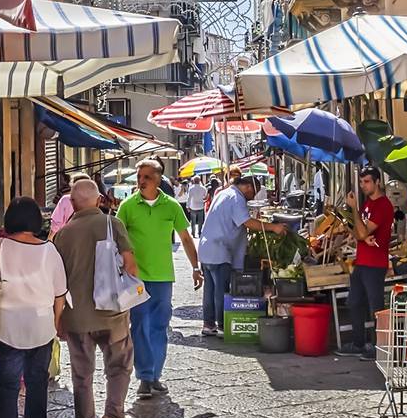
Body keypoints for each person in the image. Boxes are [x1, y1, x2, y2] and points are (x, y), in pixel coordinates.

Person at [51, 178, 137, 418]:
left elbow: (57, 283)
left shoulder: (63, 235)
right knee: (120, 367)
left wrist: (58, 319)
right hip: (112, 313)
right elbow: (130, 263)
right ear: (100, 200)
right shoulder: (113, 224)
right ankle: (112, 417)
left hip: (78, 317)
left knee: (82, 376)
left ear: (73, 204)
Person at [0, 197, 66, 418]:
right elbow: (59, 295)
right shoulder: (49, 251)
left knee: (7, 388)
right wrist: (56, 322)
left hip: (6, 326)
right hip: (41, 326)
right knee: (37, 385)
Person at [116, 160, 199, 398]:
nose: (141, 181)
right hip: (136, 279)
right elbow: (118, 239)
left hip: (163, 277)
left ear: (158, 179)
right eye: (139, 177)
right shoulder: (128, 206)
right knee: (140, 326)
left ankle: (155, 375)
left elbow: (185, 237)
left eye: (147, 177)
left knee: (160, 327)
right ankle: (144, 376)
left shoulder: (171, 206)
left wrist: (196, 267)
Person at [198, 173, 288, 339]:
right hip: (220, 249)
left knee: (209, 289)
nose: (251, 197)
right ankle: (222, 324)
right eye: (253, 193)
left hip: (207, 248)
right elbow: (246, 222)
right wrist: (272, 227)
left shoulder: (223, 193)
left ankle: (208, 324)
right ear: (247, 187)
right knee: (220, 290)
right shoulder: (236, 198)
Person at [345, 166, 394, 356]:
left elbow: (363, 231)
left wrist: (354, 210)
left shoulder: (383, 205)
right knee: (355, 302)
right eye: (361, 182)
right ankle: (358, 343)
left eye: (366, 182)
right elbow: (359, 232)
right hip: (362, 261)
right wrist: (362, 236)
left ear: (377, 182)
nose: (363, 186)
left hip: (375, 264)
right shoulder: (367, 204)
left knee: (376, 307)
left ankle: (378, 347)